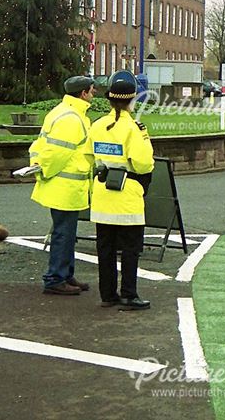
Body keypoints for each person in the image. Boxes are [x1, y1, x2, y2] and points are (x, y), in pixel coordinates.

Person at [89, 72, 155, 311]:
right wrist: (145, 138)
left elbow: (89, 156)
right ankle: (129, 294)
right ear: (132, 99)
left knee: (104, 248)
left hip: (103, 193)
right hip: (127, 195)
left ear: (109, 99)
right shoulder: (134, 128)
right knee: (130, 249)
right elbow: (143, 164)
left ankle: (107, 294)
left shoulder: (97, 125)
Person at [30, 75, 95, 295]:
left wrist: (38, 167)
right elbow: (57, 152)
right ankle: (55, 278)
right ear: (83, 93)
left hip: (62, 184)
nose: (94, 94)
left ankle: (65, 274)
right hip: (65, 185)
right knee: (63, 233)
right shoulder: (72, 118)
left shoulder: (63, 112)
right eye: (92, 90)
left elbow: (40, 145)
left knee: (66, 232)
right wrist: (44, 169)